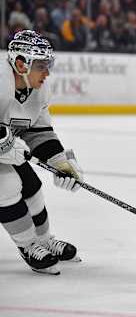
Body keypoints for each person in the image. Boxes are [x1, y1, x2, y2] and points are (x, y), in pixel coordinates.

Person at [0, 30, 83, 275]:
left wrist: (61, 163)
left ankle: (45, 240)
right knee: (6, 186)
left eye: (49, 65)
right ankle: (28, 246)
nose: (47, 72)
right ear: (20, 63)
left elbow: (39, 131)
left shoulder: (38, 90)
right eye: (41, 66)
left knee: (32, 187)